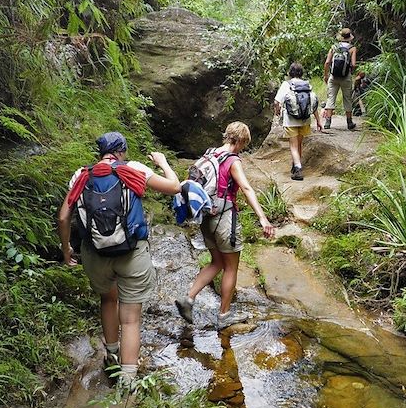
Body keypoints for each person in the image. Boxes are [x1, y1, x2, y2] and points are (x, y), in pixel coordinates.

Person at [57, 131, 180, 387]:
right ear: (122, 151)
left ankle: (111, 355)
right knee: (131, 318)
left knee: (108, 299)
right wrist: (163, 162)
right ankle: (128, 377)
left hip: (95, 254)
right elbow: (175, 187)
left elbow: (63, 218)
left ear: (100, 152)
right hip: (131, 253)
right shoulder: (132, 169)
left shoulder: (81, 175)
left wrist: (67, 249)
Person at [175, 122, 275, 329]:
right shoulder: (231, 160)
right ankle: (224, 316)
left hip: (206, 217)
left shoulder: (208, 155)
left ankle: (189, 299)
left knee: (216, 262)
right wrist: (263, 218)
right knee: (231, 268)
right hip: (224, 219)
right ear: (239, 140)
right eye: (243, 145)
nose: (242, 149)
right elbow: (246, 189)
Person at [273, 62, 323, 181]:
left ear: (290, 72)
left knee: (293, 146)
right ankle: (296, 165)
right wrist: (318, 121)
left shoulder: (287, 84)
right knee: (299, 144)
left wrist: (277, 111)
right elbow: (314, 105)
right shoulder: (307, 85)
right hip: (305, 120)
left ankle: (298, 168)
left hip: (291, 120)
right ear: (302, 73)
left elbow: (276, 101)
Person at [323, 27, 358, 130]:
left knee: (330, 98)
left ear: (341, 36)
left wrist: (326, 75)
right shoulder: (352, 48)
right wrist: (350, 72)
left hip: (333, 76)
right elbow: (353, 64)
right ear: (350, 37)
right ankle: (349, 122)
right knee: (347, 98)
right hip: (346, 76)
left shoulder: (334, 47)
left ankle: (328, 122)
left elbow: (327, 62)